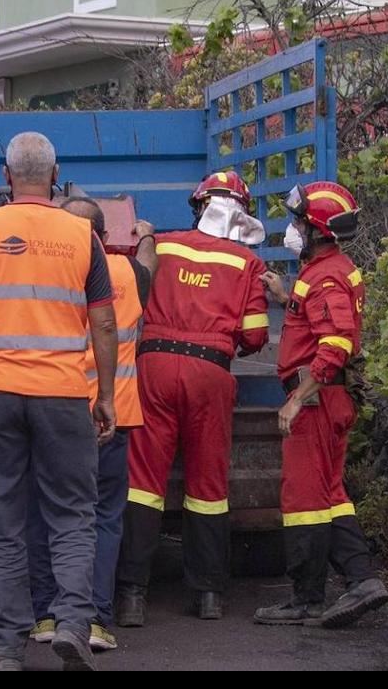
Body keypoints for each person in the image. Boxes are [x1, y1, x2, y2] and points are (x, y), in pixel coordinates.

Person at [0, 131, 118, 671]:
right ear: (56, 174)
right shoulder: (84, 233)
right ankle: (71, 624)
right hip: (63, 394)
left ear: (7, 174)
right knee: (71, 517)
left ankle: (9, 647)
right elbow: (104, 321)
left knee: (1, 520)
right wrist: (105, 395)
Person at [115, 170, 270, 625]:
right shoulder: (248, 263)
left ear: (198, 205)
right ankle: (207, 596)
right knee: (208, 488)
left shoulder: (160, 244)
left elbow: (129, 294)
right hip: (210, 372)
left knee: (142, 485)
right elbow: (257, 336)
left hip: (155, 367)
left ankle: (131, 598)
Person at [254, 181, 388, 628]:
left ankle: (307, 598)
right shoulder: (327, 269)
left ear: (316, 230)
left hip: (316, 399)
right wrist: (284, 294)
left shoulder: (325, 274)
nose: (293, 229)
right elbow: (318, 315)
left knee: (304, 498)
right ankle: (361, 578)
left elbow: (335, 343)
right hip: (330, 398)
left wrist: (298, 400)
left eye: (298, 222)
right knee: (331, 494)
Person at [27, 196, 158, 652]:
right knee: (102, 518)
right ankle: (97, 620)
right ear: (104, 238)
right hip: (112, 416)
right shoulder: (127, 274)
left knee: (46, 514)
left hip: (54, 412)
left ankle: (46, 614)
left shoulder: (43, 275)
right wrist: (147, 236)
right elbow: (148, 266)